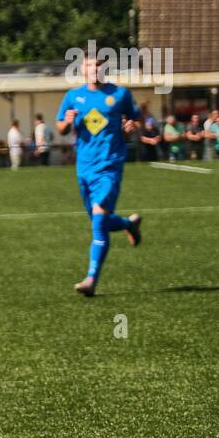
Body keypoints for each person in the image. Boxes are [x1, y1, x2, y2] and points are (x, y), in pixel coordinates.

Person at [56, 56, 142, 297]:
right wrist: (67, 122)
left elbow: (136, 116)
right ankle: (128, 224)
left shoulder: (120, 94)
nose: (94, 69)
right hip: (84, 168)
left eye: (99, 65)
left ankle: (91, 278)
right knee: (99, 220)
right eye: (89, 65)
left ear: (106, 68)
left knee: (99, 222)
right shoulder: (73, 96)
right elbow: (60, 126)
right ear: (82, 69)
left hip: (109, 166)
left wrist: (131, 127)